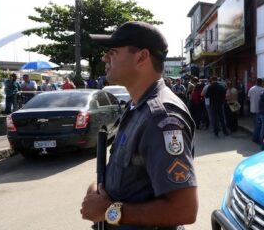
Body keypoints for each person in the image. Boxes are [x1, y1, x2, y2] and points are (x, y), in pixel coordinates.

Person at [81, 21, 197, 229]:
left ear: (141, 57)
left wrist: (109, 211)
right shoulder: (136, 106)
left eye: (113, 52)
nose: (105, 58)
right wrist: (100, 188)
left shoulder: (161, 117)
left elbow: (184, 209)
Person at [247, 78, 264, 143]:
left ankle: (255, 137)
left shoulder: (251, 89)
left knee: (255, 124)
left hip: (252, 108)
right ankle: (255, 138)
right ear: (261, 82)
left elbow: (248, 98)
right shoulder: (262, 90)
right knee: (258, 125)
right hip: (259, 109)